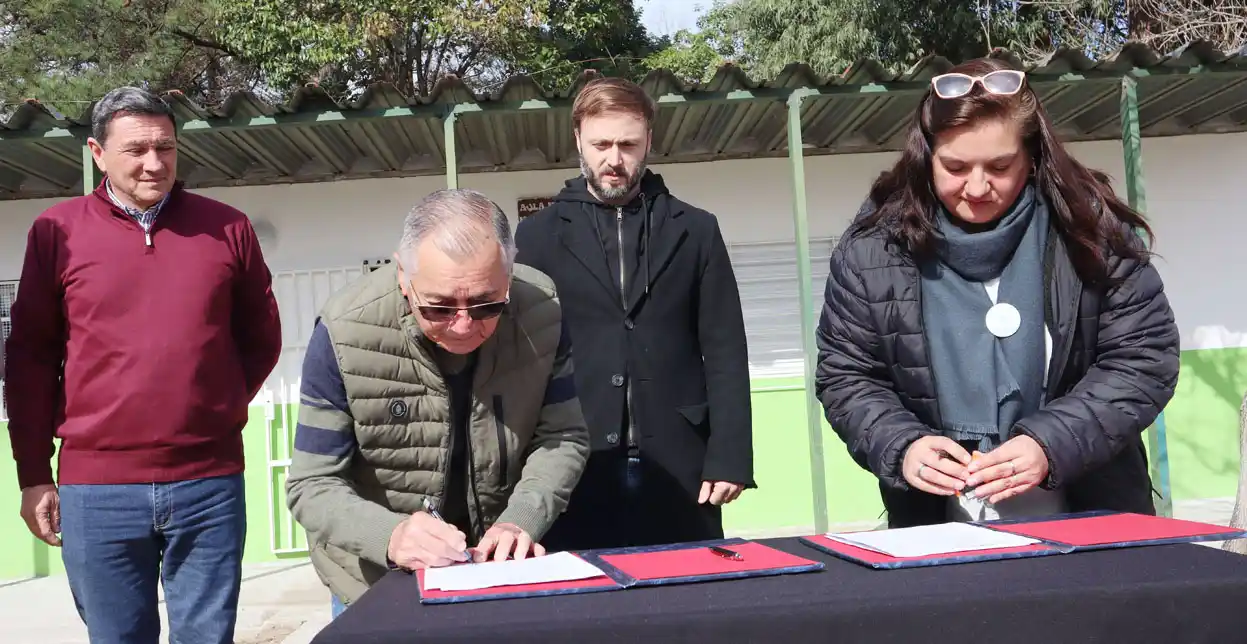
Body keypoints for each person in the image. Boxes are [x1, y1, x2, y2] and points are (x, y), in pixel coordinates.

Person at [815, 57, 1180, 528]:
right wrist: (902, 445)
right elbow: (846, 376)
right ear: (926, 158)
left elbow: (1144, 358)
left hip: (1096, 516)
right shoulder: (872, 251)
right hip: (935, 529)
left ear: (1032, 157)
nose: (977, 187)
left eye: (1000, 166)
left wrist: (1051, 443)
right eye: (955, 166)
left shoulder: (1091, 233)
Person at [5, 86, 282, 643]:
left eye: (166, 147)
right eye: (136, 150)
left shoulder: (227, 228)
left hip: (209, 484)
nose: (155, 163)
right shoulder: (57, 233)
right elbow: (30, 359)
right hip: (96, 491)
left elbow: (261, 336)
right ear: (97, 153)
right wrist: (34, 474)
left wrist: (216, 404)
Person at [285, 188, 590, 618]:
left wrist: (522, 517)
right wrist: (390, 536)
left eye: (486, 304)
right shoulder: (344, 332)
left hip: (496, 572)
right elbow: (312, 484)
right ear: (403, 277)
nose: (463, 326)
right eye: (439, 307)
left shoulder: (542, 310)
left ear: (510, 273)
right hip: (375, 583)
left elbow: (563, 436)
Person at [514, 76, 754, 550]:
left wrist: (730, 455)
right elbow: (522, 355)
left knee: (685, 590)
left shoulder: (697, 230)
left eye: (628, 144)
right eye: (601, 144)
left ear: (649, 141)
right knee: (583, 593)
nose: (614, 159)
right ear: (578, 140)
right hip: (574, 462)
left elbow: (724, 347)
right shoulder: (537, 236)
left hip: (681, 464)